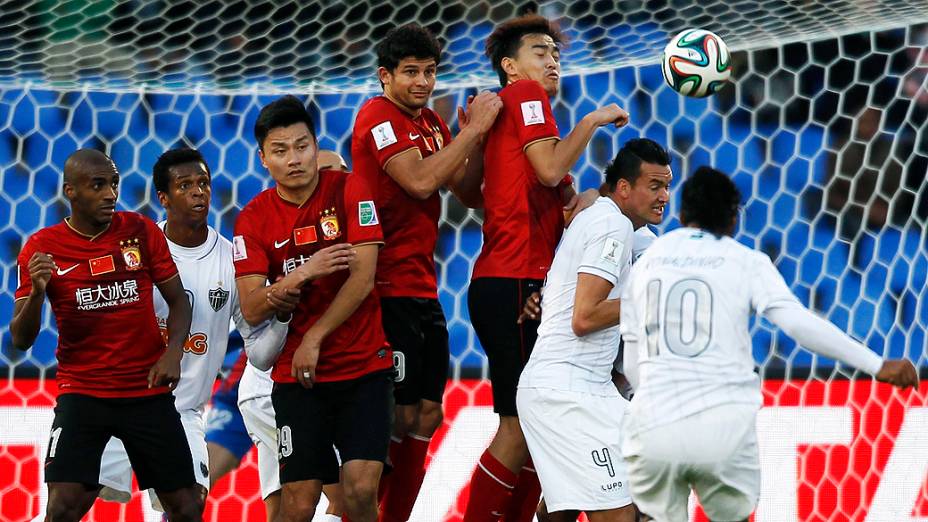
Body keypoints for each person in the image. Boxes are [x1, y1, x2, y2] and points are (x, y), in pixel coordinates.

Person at [619, 166, 920, 522]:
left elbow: (634, 362)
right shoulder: (745, 260)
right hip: (722, 426)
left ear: (683, 215)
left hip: (655, 425)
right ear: (733, 221)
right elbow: (797, 324)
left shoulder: (646, 263)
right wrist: (876, 364)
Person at [464, 14, 630, 521]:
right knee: (519, 427)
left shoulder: (511, 117)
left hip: (514, 280)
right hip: (513, 278)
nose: (552, 59)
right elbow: (551, 167)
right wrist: (593, 120)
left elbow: (533, 188)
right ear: (511, 67)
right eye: (540, 51)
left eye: (556, 52)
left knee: (538, 426)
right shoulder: (525, 98)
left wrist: (579, 198)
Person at [350, 23, 501, 522]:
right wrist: (473, 130)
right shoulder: (377, 115)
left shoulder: (433, 125)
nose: (422, 81)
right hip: (382, 286)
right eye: (410, 72)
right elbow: (417, 181)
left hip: (421, 285)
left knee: (427, 415)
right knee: (389, 419)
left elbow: (469, 194)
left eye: (430, 71)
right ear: (384, 76)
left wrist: (472, 143)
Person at [9, 149, 201, 521]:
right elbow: (20, 339)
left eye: (113, 183)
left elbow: (179, 302)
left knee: (187, 506)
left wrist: (173, 351)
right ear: (71, 191)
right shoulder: (41, 247)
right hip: (83, 393)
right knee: (63, 507)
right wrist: (36, 292)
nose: (110, 194)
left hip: (146, 390)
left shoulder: (139, 231)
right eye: (98, 185)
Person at [234, 95, 391, 522]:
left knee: (360, 491)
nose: (295, 159)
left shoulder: (349, 188)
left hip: (363, 367)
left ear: (314, 144)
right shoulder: (253, 218)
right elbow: (250, 307)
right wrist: (303, 274)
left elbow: (363, 277)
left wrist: (315, 337)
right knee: (298, 502)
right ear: (263, 158)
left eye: (302, 146)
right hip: (297, 379)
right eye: (280, 151)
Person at [516, 139, 671, 522]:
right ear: (623, 188)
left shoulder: (613, 223)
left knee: (638, 495)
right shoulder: (613, 226)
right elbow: (584, 318)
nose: (664, 196)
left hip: (590, 387)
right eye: (654, 186)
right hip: (565, 391)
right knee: (619, 515)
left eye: (667, 185)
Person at [237, 149, 351, 522]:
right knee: (343, 498)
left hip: (273, 389)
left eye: (344, 173)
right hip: (277, 387)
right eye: (332, 174)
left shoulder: (344, 234)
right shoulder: (288, 238)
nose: (341, 182)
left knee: (284, 508)